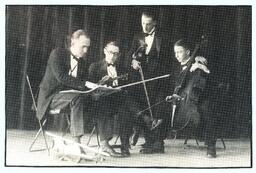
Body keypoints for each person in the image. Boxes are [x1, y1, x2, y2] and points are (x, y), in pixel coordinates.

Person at [119, 9, 172, 156]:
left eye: (148, 24)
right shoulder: (137, 36)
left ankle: (158, 143)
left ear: (155, 22)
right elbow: (130, 55)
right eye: (143, 23)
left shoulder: (164, 38)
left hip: (159, 79)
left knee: (156, 107)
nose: (145, 27)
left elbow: (169, 60)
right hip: (141, 78)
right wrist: (133, 61)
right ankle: (149, 141)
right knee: (143, 106)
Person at [36, 29, 99, 145]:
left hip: (70, 97)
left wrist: (96, 86)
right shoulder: (57, 54)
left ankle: (105, 142)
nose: (86, 51)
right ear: (73, 42)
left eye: (87, 47)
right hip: (51, 97)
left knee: (97, 99)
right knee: (77, 98)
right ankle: (77, 142)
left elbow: (84, 81)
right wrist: (84, 84)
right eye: (83, 47)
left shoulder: (83, 63)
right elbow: (61, 77)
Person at [165, 39, 217, 158]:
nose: (176, 55)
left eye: (179, 52)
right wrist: (174, 95)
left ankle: (211, 146)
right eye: (175, 52)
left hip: (202, 96)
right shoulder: (176, 68)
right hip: (185, 99)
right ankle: (157, 143)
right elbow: (177, 86)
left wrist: (202, 68)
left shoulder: (198, 61)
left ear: (188, 52)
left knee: (206, 108)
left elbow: (210, 81)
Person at [88, 41, 127, 157]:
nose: (113, 56)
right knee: (104, 104)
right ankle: (105, 144)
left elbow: (125, 86)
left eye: (116, 54)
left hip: (117, 100)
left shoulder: (122, 68)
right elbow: (89, 89)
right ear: (105, 51)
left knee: (128, 104)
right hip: (99, 101)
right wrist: (100, 83)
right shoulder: (95, 67)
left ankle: (125, 144)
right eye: (111, 52)